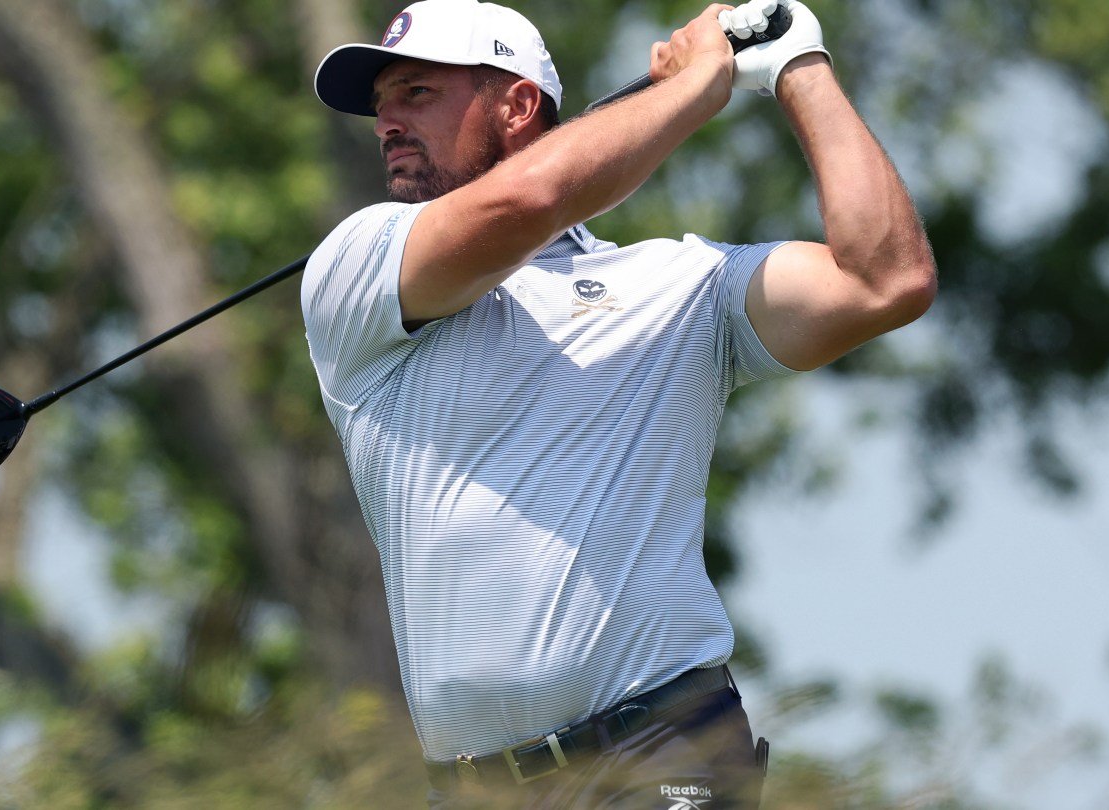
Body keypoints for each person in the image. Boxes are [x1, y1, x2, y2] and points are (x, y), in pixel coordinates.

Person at [302, 0, 935, 806]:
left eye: (416, 93)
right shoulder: (356, 269)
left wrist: (798, 69)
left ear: (517, 105)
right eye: (381, 103)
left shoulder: (678, 285)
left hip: (661, 756)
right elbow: (528, 202)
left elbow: (885, 280)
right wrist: (697, 87)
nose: (387, 121)